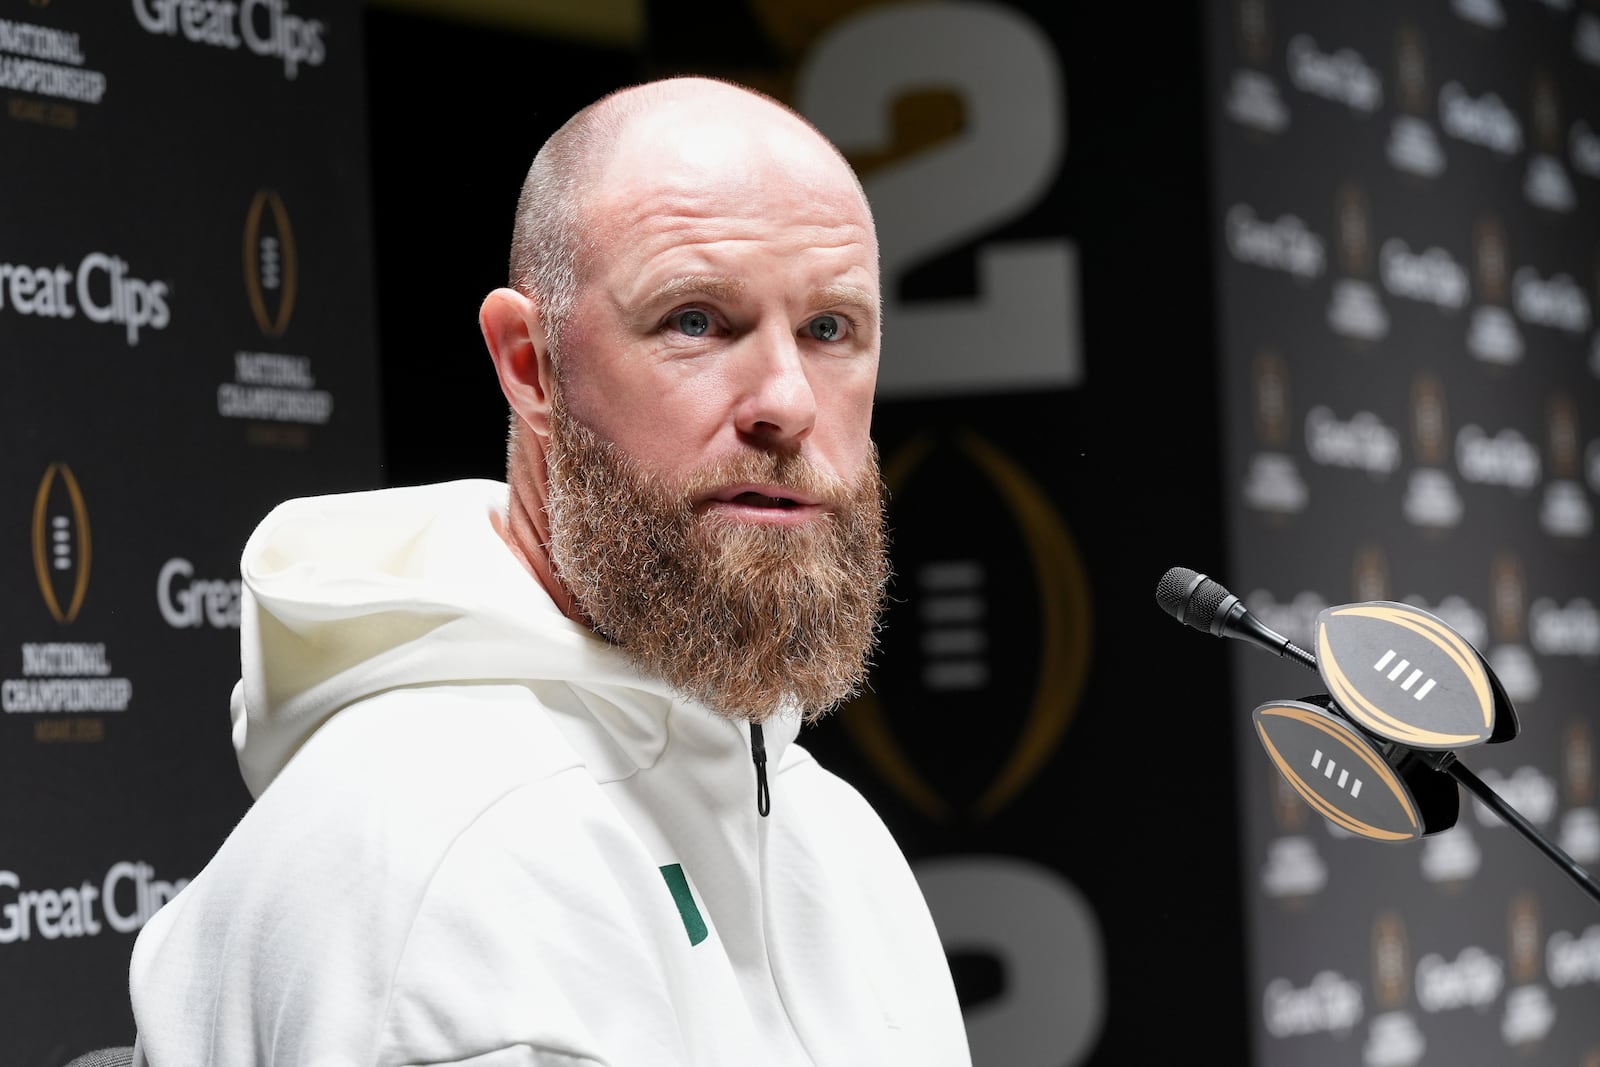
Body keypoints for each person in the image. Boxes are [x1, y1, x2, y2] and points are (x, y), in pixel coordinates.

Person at [125, 75, 972, 1065]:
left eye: (830, 329)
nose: (785, 400)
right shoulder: (454, 854)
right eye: (696, 319)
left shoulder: (823, 820)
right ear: (529, 365)